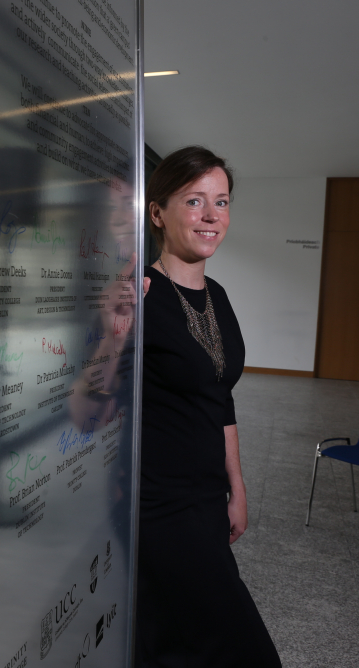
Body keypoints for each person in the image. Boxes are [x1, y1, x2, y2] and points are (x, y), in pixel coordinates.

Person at [135, 146, 280, 667]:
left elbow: (221, 399)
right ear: (158, 213)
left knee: (169, 639)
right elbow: (89, 408)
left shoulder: (217, 295)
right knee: (243, 652)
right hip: (158, 505)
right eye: (195, 201)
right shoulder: (138, 296)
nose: (212, 215)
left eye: (221, 202)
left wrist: (236, 488)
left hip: (205, 498)